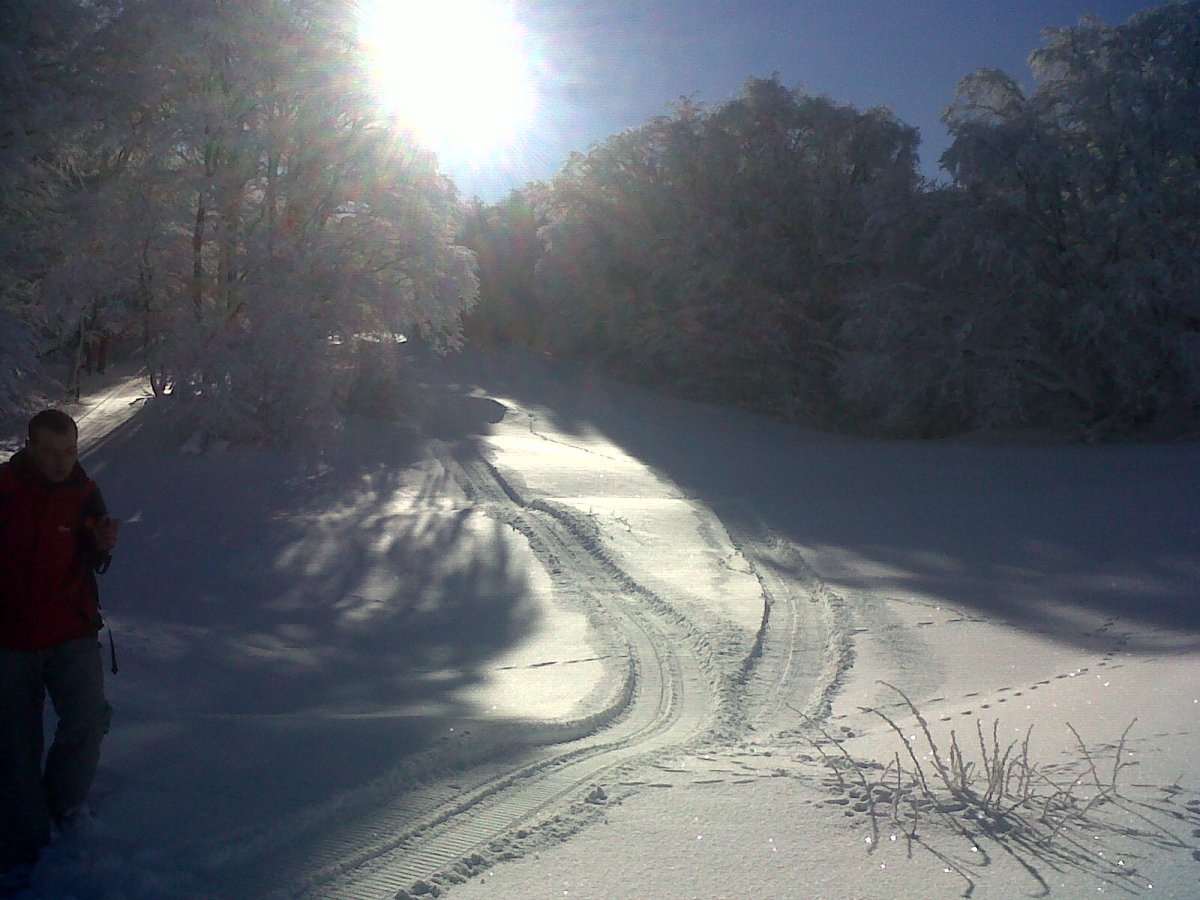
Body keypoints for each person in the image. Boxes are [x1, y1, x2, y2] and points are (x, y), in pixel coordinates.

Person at [0, 410, 120, 879]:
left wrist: (103, 543)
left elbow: (93, 555)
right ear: (29, 446)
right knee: (15, 745)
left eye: (68, 451)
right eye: (49, 452)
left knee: (88, 722)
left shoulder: (84, 492)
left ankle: (61, 808)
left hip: (71, 633)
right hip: (9, 641)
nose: (60, 462)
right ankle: (26, 850)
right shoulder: (4, 489)